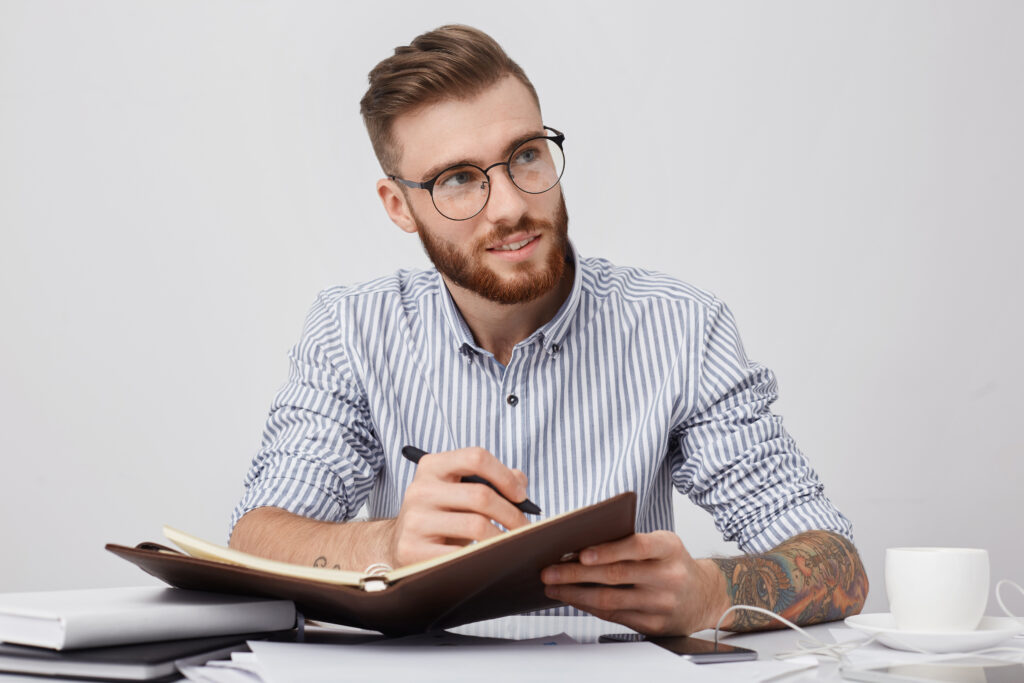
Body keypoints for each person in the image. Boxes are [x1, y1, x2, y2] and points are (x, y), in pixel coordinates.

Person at [229, 24, 868, 635]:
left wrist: (713, 592)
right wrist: (385, 544)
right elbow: (252, 541)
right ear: (400, 206)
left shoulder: (681, 327)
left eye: (526, 156)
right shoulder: (353, 331)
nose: (511, 206)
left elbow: (839, 565)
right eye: (458, 179)